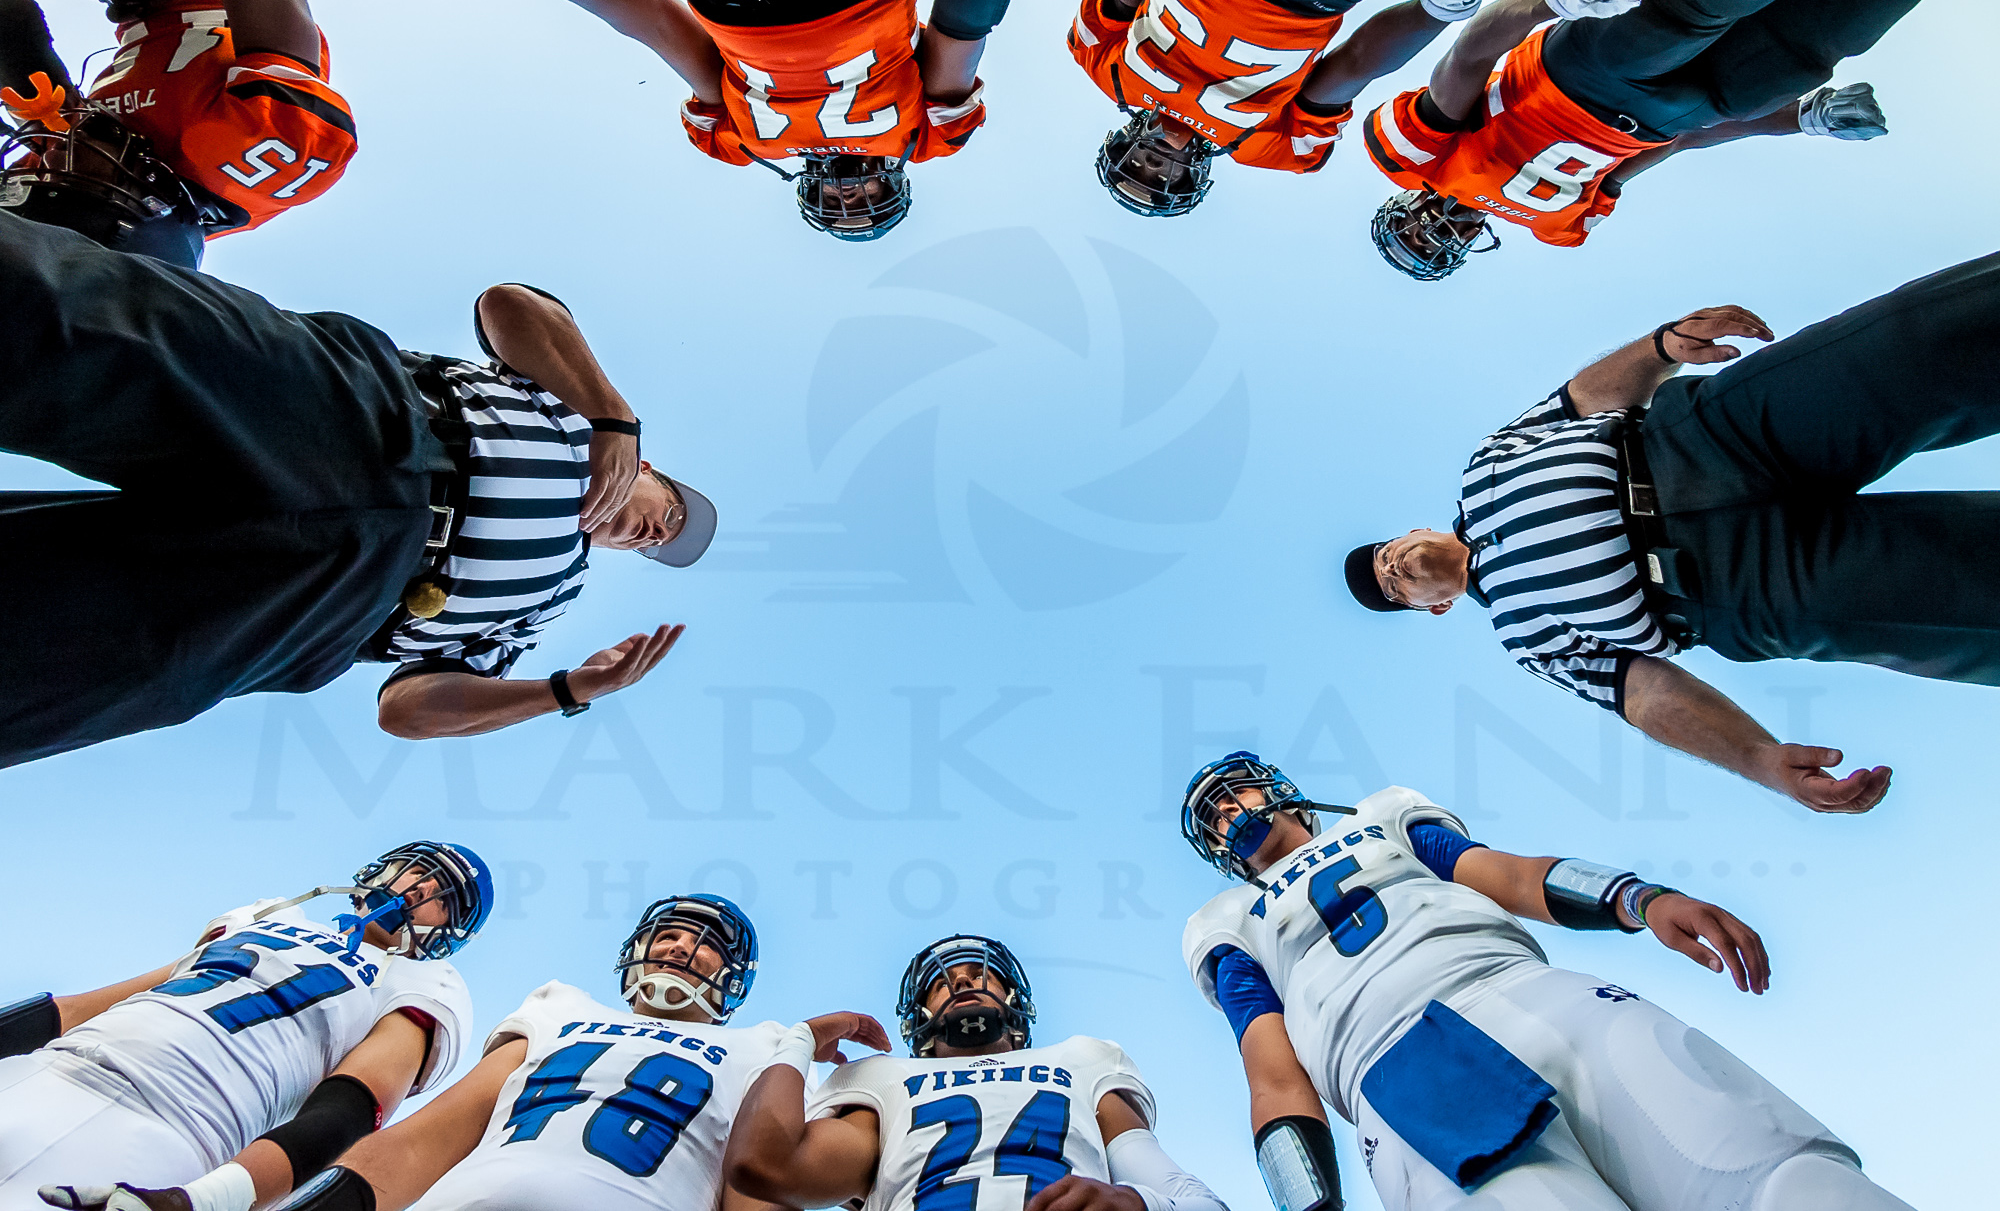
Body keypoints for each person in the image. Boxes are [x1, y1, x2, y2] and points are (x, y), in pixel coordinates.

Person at [0, 209, 716, 768]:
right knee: (75, 328)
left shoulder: (548, 602)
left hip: (322, 603)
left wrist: (565, 691)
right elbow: (509, 304)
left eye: (661, 548)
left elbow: (407, 709)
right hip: (360, 415)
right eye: (672, 514)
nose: (659, 536)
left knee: (59, 662)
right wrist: (611, 415)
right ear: (649, 471)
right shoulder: (580, 410)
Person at [1345, 254, 2000, 814]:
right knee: (1972, 597)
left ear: (1413, 530)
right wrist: (1758, 759)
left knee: (1915, 347)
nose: (1393, 568)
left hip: (1713, 437)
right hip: (1746, 587)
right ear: (1436, 605)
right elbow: (1646, 692)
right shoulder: (1526, 639)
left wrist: (1658, 347)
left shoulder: (1484, 465)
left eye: (1384, 556)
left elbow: (1579, 400)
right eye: (1393, 588)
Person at [1179, 752, 1913, 1210]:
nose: (1226, 815)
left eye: (1230, 795)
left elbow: (1508, 875)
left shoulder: (1381, 817)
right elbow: (1273, 1076)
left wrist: (1639, 899)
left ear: (1274, 786)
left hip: (1526, 989)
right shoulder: (1228, 919)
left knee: (1772, 1172)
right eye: (1211, 817)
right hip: (1393, 1069)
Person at [1362, 0, 2000, 278]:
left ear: (1403, 210)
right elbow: (1679, 146)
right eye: (1433, 251)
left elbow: (1468, 57)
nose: (1434, 236)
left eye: (1415, 235)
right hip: (1683, 112)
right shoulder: (1559, 225)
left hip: (1588, 72)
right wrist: (1800, 119)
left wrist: (1549, 0)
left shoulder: (1409, 158)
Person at [463, 0, 1032, 241]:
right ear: (895, 183)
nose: (849, 194)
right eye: (868, 202)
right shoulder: (926, 138)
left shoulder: (737, 144)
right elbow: (962, 34)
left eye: (837, 207)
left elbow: (666, 32)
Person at [263, 893, 889, 1211]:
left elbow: (753, 1194)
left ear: (733, 977)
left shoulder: (766, 1048)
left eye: (704, 945)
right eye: (667, 935)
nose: (678, 949)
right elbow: (428, 1137)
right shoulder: (563, 1007)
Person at [0, 842, 489, 1211]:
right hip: (45, 1070)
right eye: (418, 870)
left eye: (442, 899)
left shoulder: (421, 979)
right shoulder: (268, 916)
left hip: (176, 1127)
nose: (421, 887)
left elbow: (351, 1106)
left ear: (448, 933)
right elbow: (82, 1008)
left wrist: (208, 1199)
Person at [1071, 0, 1523, 218]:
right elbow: (1352, 68)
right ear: (1192, 178)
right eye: (1160, 179)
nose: (1154, 164)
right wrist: (1437, 11)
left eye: (1136, 169)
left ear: (1119, 147)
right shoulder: (1269, 148)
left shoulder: (1105, 68)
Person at [0, 0, 356, 268]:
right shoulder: (245, 151)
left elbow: (12, 33)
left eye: (42, 177)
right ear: (150, 198)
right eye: (68, 176)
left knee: (34, 94)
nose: (49, 164)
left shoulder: (59, 177)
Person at [724, 934, 1228, 1211]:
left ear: (1014, 1001)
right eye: (940, 984)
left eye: (981, 973)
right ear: (918, 1019)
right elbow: (766, 1166)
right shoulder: (882, 1078)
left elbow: (1197, 1201)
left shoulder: (1082, 1059)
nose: (962, 979)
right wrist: (799, 1041)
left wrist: (1136, 1205)